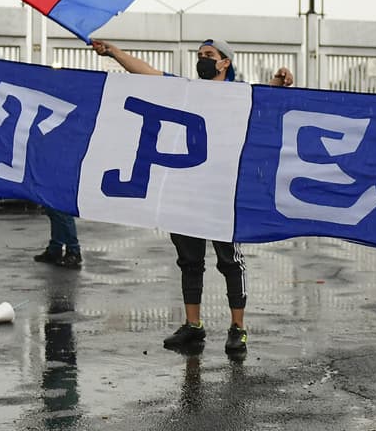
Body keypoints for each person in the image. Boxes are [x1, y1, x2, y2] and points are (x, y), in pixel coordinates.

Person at [91, 36, 294, 358]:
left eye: (209, 55)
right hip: (185, 191)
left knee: (230, 261)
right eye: (200, 55)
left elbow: (264, 100)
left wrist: (278, 83)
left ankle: (238, 328)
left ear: (225, 62)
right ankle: (193, 325)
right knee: (189, 261)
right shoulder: (185, 89)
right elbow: (145, 73)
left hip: (223, 194)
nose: (202, 59)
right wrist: (115, 53)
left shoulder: (238, 94)